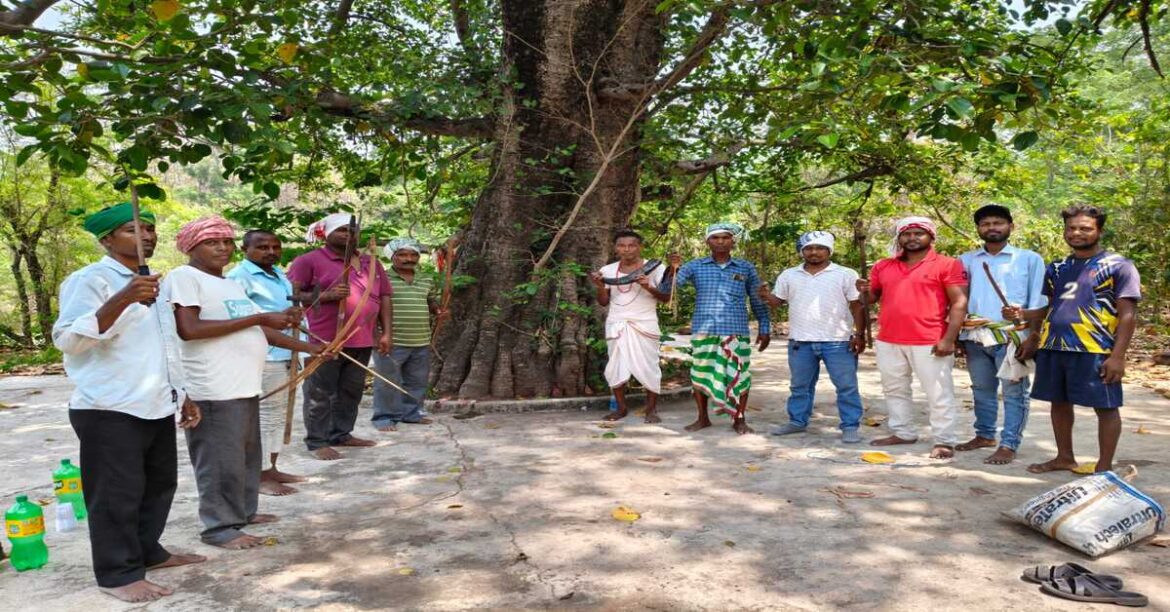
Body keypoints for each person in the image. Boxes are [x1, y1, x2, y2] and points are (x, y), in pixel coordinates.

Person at [53, 202, 205, 603]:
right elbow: (68, 340)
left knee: (158, 486)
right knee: (115, 494)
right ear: (106, 239)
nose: (147, 236)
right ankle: (117, 573)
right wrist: (120, 300)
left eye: (151, 229)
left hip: (155, 402)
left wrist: (182, 392)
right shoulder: (89, 280)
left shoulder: (154, 282)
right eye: (133, 230)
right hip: (108, 407)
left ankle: (147, 552)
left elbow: (165, 346)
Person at [162, 216, 324, 550]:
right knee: (220, 461)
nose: (222, 248)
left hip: (244, 385)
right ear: (191, 247)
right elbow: (189, 329)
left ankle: (243, 513)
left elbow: (257, 329)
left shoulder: (228, 284)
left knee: (246, 457)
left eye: (226, 241)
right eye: (211, 242)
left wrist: (310, 347)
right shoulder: (184, 278)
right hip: (212, 387)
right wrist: (261, 316)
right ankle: (219, 528)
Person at [1010, 206, 1141, 475]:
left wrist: (1117, 356)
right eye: (1071, 228)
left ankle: (1104, 468)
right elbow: (1051, 307)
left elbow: (1128, 314)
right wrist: (1024, 317)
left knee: (1105, 406)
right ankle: (1064, 457)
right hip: (1055, 346)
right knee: (1058, 402)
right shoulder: (1057, 267)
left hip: (1095, 348)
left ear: (1099, 231)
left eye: (1085, 228)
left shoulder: (1119, 266)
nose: (1077, 233)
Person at [856, 217, 967, 459]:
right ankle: (902, 431)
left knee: (938, 392)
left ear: (931, 237)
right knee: (894, 388)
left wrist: (949, 338)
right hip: (889, 338)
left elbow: (959, 302)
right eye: (907, 234)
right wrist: (864, 289)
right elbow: (872, 298)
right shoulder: (883, 266)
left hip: (929, 339)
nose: (912, 238)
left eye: (919, 233)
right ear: (899, 238)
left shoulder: (947, 264)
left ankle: (944, 440)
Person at [287, 213, 393, 460]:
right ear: (328, 233)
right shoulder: (308, 260)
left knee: (351, 391)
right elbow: (292, 296)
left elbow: (385, 297)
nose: (349, 235)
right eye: (342, 230)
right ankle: (317, 441)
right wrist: (325, 296)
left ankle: (342, 433)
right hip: (323, 339)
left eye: (353, 231)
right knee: (319, 392)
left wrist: (386, 332)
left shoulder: (371, 262)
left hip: (363, 337)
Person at [955, 205, 1047, 465]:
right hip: (975, 336)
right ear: (979, 229)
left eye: (998, 223)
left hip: (1013, 338)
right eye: (986, 224)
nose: (992, 228)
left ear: (1010, 227)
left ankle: (1009, 443)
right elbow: (959, 299)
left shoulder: (1029, 259)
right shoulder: (967, 260)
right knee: (981, 389)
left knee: (1014, 392)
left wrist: (1033, 336)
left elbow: (1039, 299)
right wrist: (958, 335)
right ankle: (984, 435)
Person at [661, 222, 771, 435]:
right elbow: (669, 291)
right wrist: (671, 270)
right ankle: (702, 418)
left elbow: (758, 299)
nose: (720, 242)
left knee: (740, 375)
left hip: (736, 329)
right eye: (715, 238)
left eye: (725, 238)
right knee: (700, 373)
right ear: (707, 241)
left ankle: (739, 418)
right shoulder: (695, 266)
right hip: (704, 329)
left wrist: (764, 327)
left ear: (733, 241)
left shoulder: (745, 267)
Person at [760, 231, 867, 443]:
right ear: (802, 252)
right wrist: (765, 296)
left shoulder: (845, 274)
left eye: (820, 248)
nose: (814, 252)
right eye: (808, 248)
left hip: (838, 340)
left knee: (846, 386)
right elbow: (777, 301)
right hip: (801, 340)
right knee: (800, 385)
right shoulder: (789, 275)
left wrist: (859, 334)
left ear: (829, 250)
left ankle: (850, 425)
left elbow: (857, 305)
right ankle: (797, 421)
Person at [226, 230, 308, 495]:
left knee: (277, 414)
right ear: (244, 249)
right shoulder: (239, 278)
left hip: (286, 353)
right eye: (262, 247)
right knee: (263, 415)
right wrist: (277, 316)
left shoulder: (279, 274)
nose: (271, 252)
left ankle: (271, 467)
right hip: (264, 354)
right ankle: (258, 476)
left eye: (275, 246)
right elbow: (238, 315)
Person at [589, 230, 670, 423]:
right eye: (622, 246)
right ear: (616, 248)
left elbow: (667, 298)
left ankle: (651, 410)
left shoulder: (656, 268)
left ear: (640, 247)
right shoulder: (608, 270)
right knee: (615, 366)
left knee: (650, 366)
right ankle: (621, 409)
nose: (627, 249)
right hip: (617, 323)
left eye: (632, 245)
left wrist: (647, 286)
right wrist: (600, 286)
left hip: (645, 324)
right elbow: (603, 302)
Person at [371, 237, 444, 431]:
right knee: (387, 381)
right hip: (392, 340)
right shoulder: (381, 278)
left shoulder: (426, 278)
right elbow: (372, 308)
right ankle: (384, 417)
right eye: (402, 255)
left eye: (413, 255)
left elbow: (429, 300)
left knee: (417, 381)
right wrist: (378, 335)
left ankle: (411, 414)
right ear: (392, 257)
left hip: (420, 339)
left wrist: (437, 310)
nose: (408, 259)